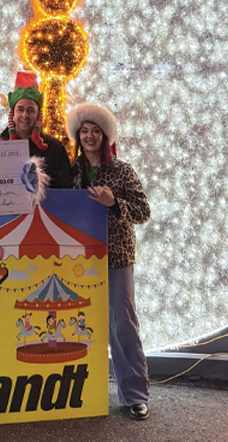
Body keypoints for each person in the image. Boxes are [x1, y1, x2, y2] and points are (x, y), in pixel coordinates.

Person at [66, 103, 151, 420]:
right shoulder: (70, 172)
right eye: (84, 131)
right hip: (79, 258)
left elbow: (143, 212)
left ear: (104, 136)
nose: (89, 136)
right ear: (78, 136)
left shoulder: (122, 171)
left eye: (95, 131)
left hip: (116, 256)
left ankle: (135, 395)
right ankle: (81, 395)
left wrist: (114, 203)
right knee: (78, 325)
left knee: (122, 325)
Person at [0, 72, 72, 189]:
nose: (25, 115)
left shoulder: (55, 149)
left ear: (38, 114)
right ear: (13, 113)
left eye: (30, 110)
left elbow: (65, 190)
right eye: (20, 109)